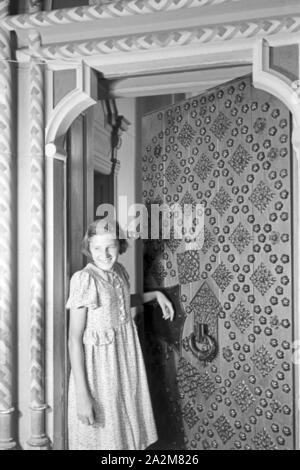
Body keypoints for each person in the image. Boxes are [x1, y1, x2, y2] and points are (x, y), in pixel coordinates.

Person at [66, 217, 174, 450]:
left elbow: (123, 302)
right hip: (99, 371)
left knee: (125, 433)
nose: (104, 254)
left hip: (124, 360)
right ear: (89, 247)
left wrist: (155, 295)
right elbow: (74, 339)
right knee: (104, 436)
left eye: (110, 247)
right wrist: (83, 396)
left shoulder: (119, 272)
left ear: (119, 245)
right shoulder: (84, 279)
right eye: (97, 248)